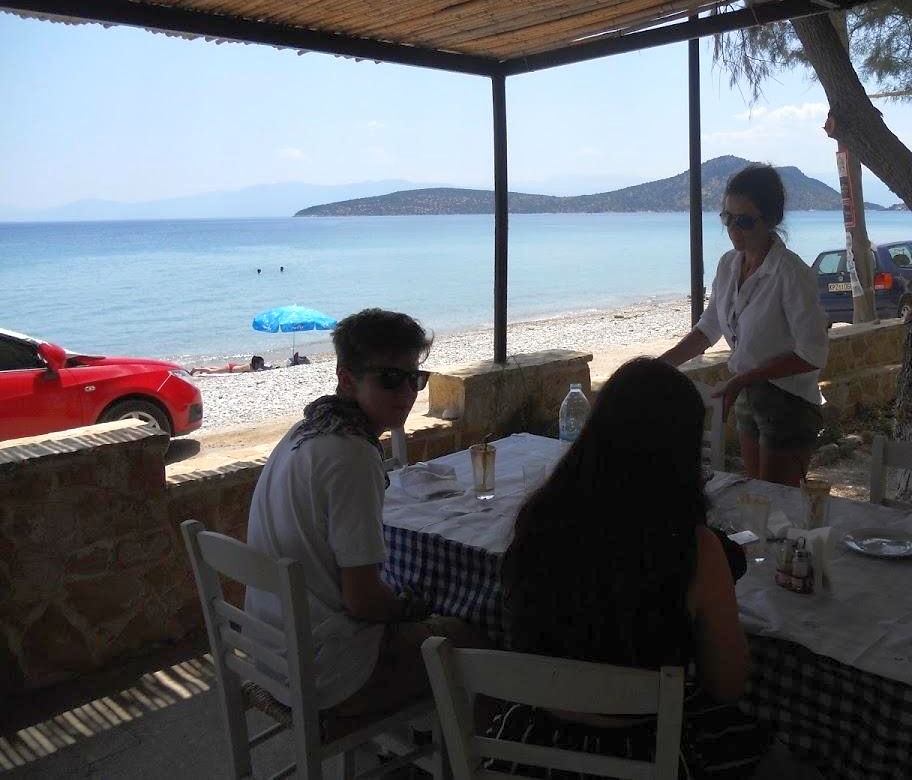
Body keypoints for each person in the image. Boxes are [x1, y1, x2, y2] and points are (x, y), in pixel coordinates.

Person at [487, 357, 766, 778]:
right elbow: (727, 684)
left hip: (533, 749)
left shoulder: (538, 522)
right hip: (648, 757)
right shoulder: (692, 549)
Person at [244, 308, 485, 717]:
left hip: (272, 654)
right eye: (390, 378)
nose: (407, 392)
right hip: (325, 677)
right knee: (477, 641)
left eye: (415, 378)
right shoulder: (352, 455)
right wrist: (413, 610)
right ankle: (468, 748)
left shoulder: (307, 430)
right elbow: (364, 601)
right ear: (346, 379)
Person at [661, 164, 829, 487]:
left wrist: (744, 378)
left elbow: (813, 353)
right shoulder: (729, 265)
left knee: (775, 502)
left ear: (771, 219)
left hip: (789, 402)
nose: (733, 229)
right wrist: (660, 366)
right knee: (756, 495)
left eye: (745, 221)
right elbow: (708, 328)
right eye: (728, 218)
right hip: (746, 393)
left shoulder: (791, 273)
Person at [190, 354, 273, 374]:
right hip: (230, 369)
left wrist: (270, 368)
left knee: (217, 368)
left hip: (232, 366)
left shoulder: (252, 366)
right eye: (261, 363)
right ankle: (195, 369)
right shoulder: (249, 367)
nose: (262, 365)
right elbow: (259, 369)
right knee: (212, 372)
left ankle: (203, 368)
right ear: (256, 363)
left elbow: (262, 368)